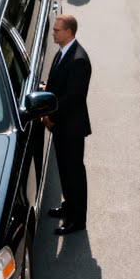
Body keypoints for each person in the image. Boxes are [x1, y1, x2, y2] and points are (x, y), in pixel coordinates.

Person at [41, 14, 93, 235]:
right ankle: (68, 207)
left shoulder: (79, 60)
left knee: (74, 174)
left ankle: (77, 219)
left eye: (56, 30)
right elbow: (58, 85)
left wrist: (50, 116)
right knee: (64, 170)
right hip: (62, 126)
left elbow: (72, 98)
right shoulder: (62, 53)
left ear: (69, 32)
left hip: (70, 128)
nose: (53, 33)